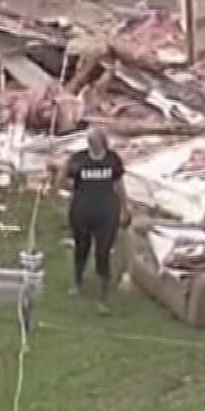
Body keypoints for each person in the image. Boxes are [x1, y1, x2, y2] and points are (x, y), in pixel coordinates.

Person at [63, 127, 125, 311]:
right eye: (91, 142)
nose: (94, 146)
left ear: (103, 142)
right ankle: (77, 282)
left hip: (107, 212)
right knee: (81, 248)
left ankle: (103, 294)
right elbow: (66, 179)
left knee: (103, 251)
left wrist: (125, 208)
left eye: (97, 142)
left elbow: (119, 184)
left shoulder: (112, 160)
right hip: (82, 211)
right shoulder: (79, 159)